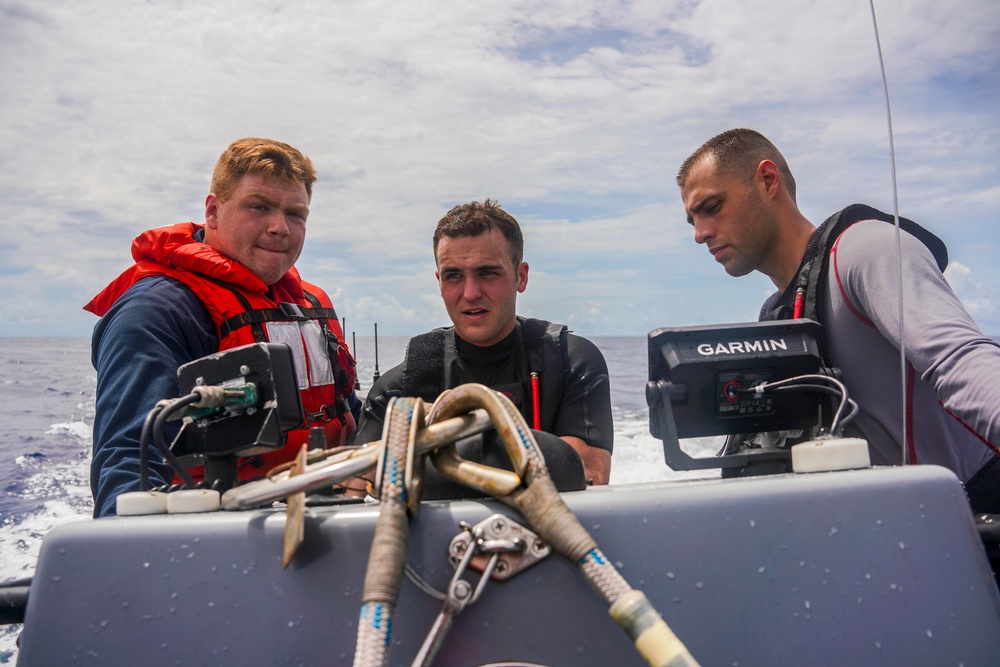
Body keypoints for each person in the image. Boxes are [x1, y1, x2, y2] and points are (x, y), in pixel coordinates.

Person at [676, 127, 1000, 512]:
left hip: (973, 511)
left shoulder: (865, 250)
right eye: (692, 220)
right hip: (886, 530)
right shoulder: (778, 317)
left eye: (711, 207)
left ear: (767, 180)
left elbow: (959, 360)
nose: (699, 234)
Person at [86, 138, 360, 517]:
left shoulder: (308, 306)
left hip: (333, 518)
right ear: (213, 211)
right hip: (221, 539)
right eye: (259, 207)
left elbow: (347, 411)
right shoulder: (156, 312)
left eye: (296, 214)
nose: (280, 227)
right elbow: (129, 464)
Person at [355, 199, 613, 488]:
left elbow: (586, 477)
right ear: (439, 281)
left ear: (521, 276)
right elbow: (355, 486)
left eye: (487, 273)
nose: (471, 293)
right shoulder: (398, 390)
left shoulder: (571, 363)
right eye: (454, 276)